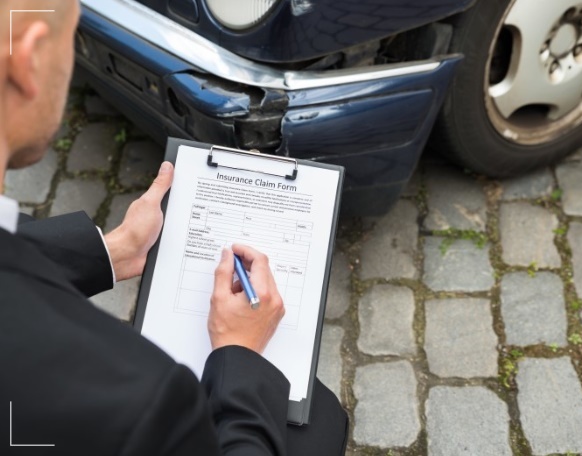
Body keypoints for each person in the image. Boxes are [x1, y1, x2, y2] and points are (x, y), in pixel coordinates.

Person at [0, 1, 348, 455]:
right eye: (71, 38)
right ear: (28, 61)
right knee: (318, 422)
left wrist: (113, 250)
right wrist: (241, 353)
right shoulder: (143, 398)